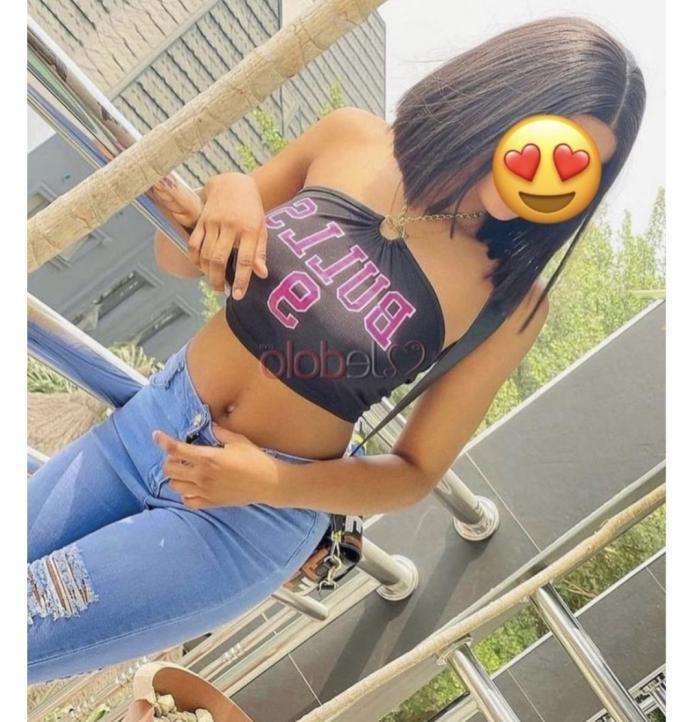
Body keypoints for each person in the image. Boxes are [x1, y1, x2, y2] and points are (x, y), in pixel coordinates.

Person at [28, 15, 646, 683]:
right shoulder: (351, 138)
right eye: (558, 142)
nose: (554, 179)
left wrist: (271, 481)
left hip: (242, 517)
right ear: (510, 96)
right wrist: (232, 191)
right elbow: (173, 256)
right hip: (144, 431)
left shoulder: (512, 302)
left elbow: (415, 471)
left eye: (584, 171)